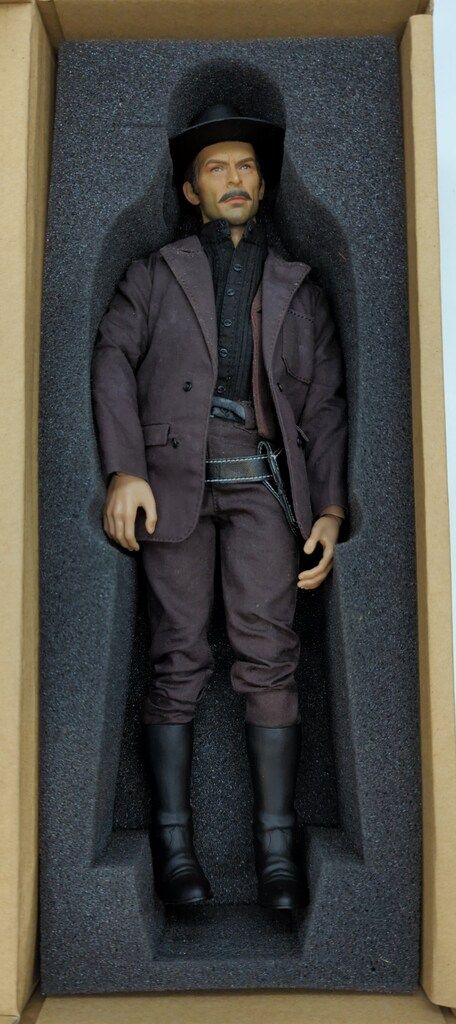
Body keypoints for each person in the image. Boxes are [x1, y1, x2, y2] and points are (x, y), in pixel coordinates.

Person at [91, 103, 348, 911]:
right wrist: (123, 472)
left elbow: (326, 406)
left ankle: (277, 853)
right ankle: (174, 852)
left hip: (265, 486)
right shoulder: (153, 274)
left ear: (262, 186)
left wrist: (329, 509)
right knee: (177, 656)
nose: (233, 179)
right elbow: (112, 358)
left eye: (245, 167)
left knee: (269, 655)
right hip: (171, 483)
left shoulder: (299, 288)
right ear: (190, 189)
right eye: (215, 168)